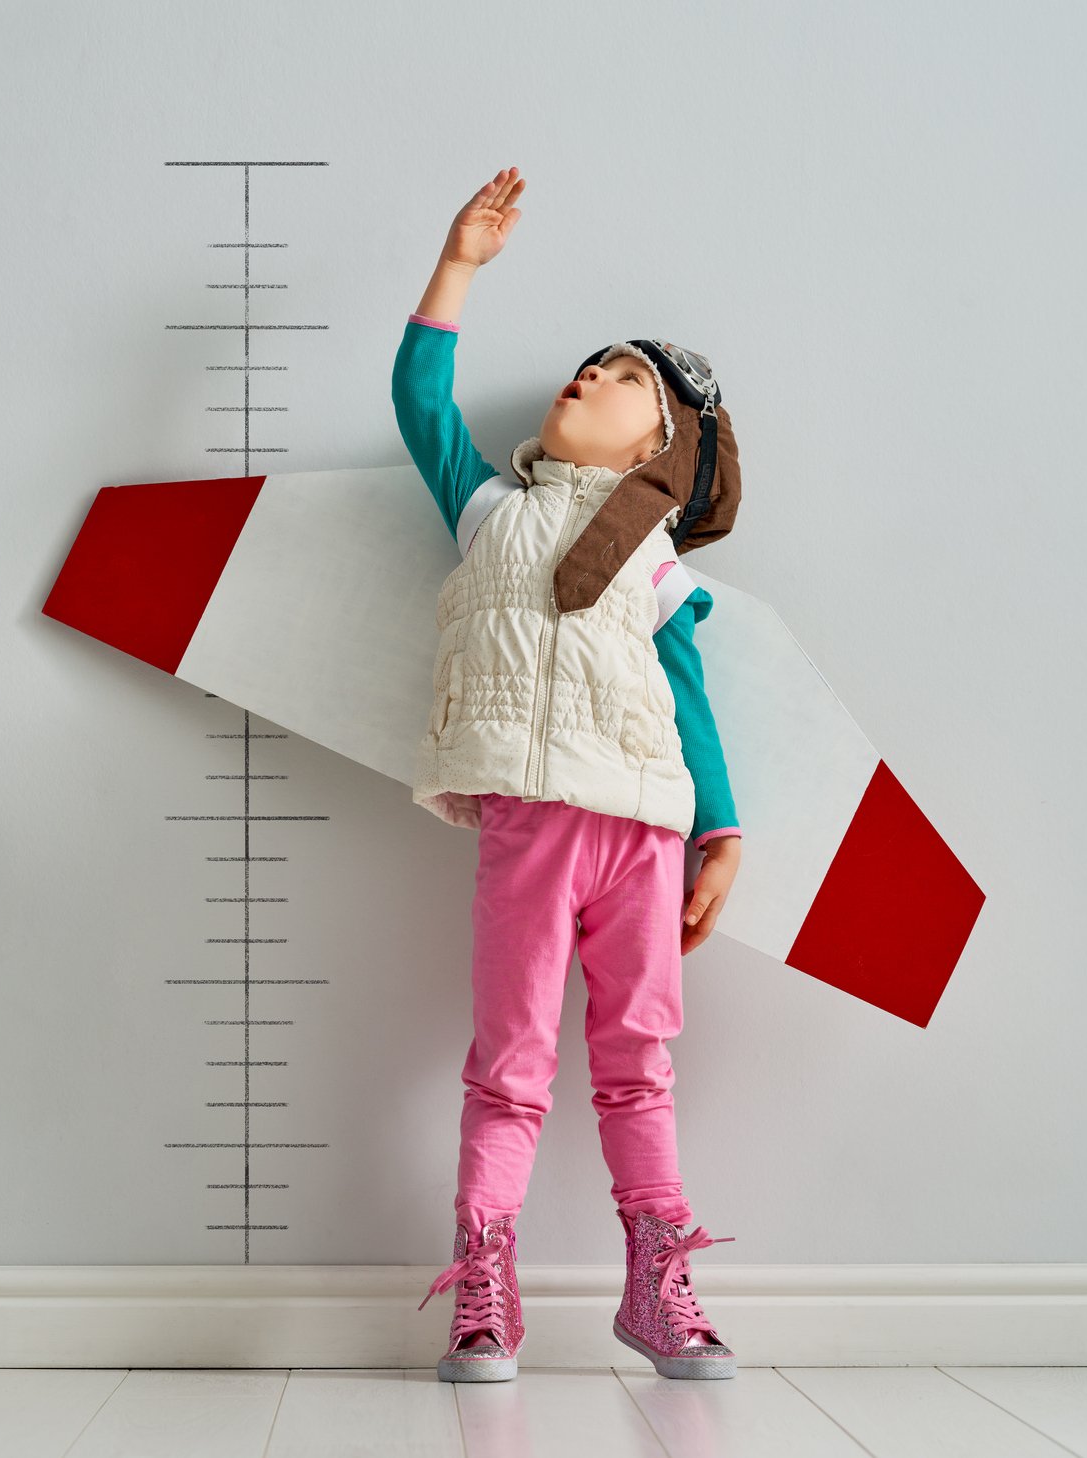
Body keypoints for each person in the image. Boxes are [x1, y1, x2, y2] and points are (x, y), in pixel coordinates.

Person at [394, 167, 744, 1383]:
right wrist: (459, 269)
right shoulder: (490, 508)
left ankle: (658, 1282)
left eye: (625, 377)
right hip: (528, 826)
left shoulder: (654, 566)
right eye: (589, 363)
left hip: (643, 831)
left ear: (662, 443)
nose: (590, 375)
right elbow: (420, 403)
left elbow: (690, 703)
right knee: (509, 1064)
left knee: (637, 1063)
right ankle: (482, 1285)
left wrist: (723, 832)